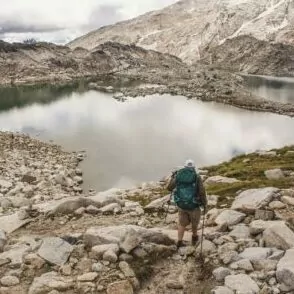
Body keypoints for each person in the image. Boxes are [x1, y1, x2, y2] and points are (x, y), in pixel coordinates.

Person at [166, 159, 207, 248]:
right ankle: (194, 237)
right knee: (194, 223)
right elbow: (202, 191)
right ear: (193, 167)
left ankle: (179, 242)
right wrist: (204, 203)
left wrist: (173, 177)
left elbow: (169, 188)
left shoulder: (178, 175)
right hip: (194, 204)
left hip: (181, 204)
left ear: (184, 167)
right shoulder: (197, 177)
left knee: (182, 223)